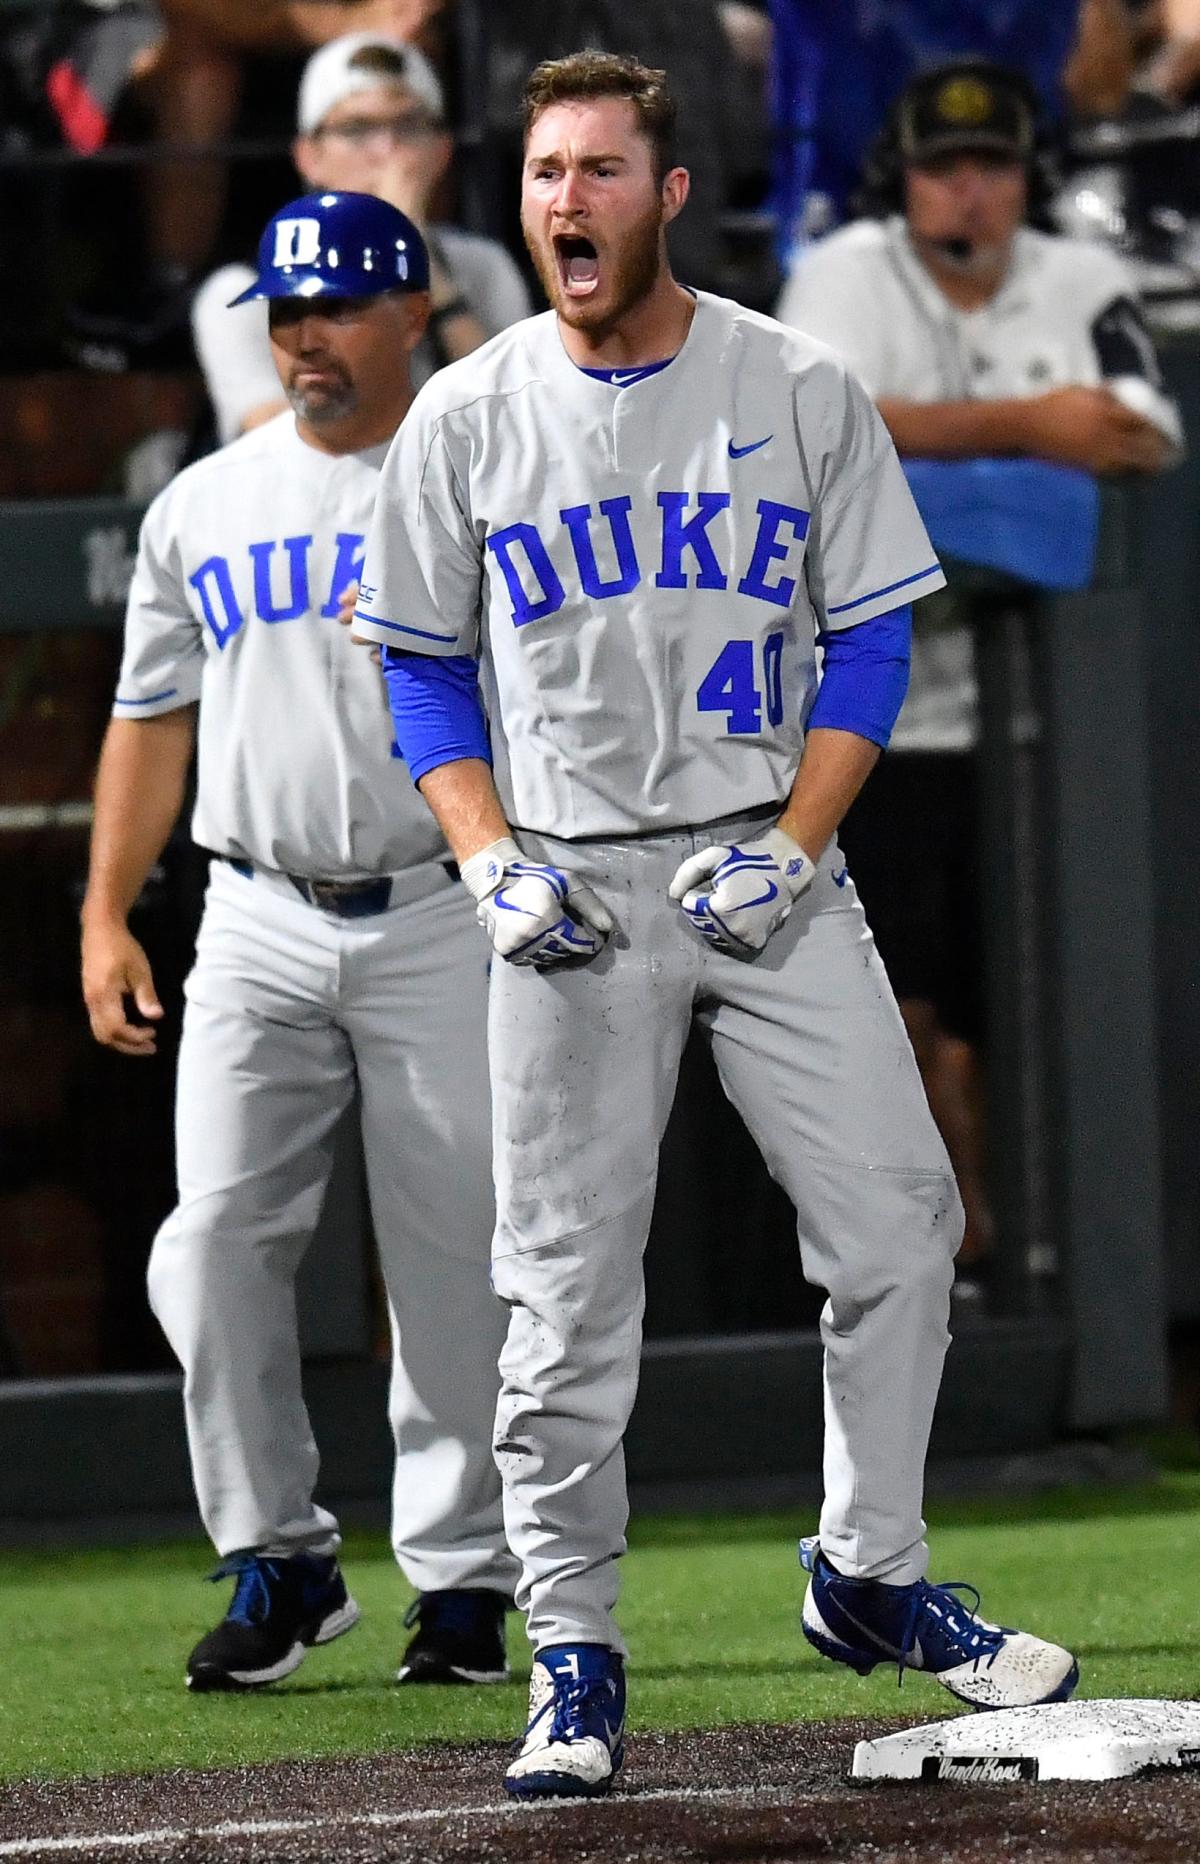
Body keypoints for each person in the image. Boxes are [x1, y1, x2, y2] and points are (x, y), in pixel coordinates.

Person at [349, 50, 1079, 1802]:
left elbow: (880, 638)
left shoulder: (796, 377)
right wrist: (483, 851)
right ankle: (575, 1650)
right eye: (543, 175)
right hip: (571, 887)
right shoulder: (466, 408)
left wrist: (804, 835)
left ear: (668, 194)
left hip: (770, 867)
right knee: (563, 1291)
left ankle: (871, 1570)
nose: (567, 202)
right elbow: (421, 660)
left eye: (601, 170)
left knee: (905, 1221)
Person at [81, 189, 516, 1694]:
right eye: (286, 309)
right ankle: (279, 1554)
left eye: (337, 305)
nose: (306, 333)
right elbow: (149, 721)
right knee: (208, 1249)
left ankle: (462, 1580)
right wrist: (103, 913)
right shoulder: (202, 500)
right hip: (253, 912)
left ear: (414, 314)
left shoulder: (474, 479)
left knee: (456, 1258)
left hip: (437, 909)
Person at [776, 59, 1182, 1283]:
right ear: (900, 183)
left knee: (1018, 999)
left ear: (1029, 177)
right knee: (895, 1004)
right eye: (944, 168)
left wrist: (927, 469)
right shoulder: (840, 273)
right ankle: (937, 1249)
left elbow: (1141, 437)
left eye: (992, 165)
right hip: (866, 721)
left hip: (1048, 727)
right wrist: (1025, 433)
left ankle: (1020, 1257)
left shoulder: (1084, 277)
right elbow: (813, 435)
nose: (968, 191)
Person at [191, 31, 532, 446]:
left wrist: (425, 265)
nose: (387, 150)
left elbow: (521, 422)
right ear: (309, 157)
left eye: (409, 126)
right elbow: (283, 448)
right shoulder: (245, 293)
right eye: (356, 129)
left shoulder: (481, 265)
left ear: (442, 152)